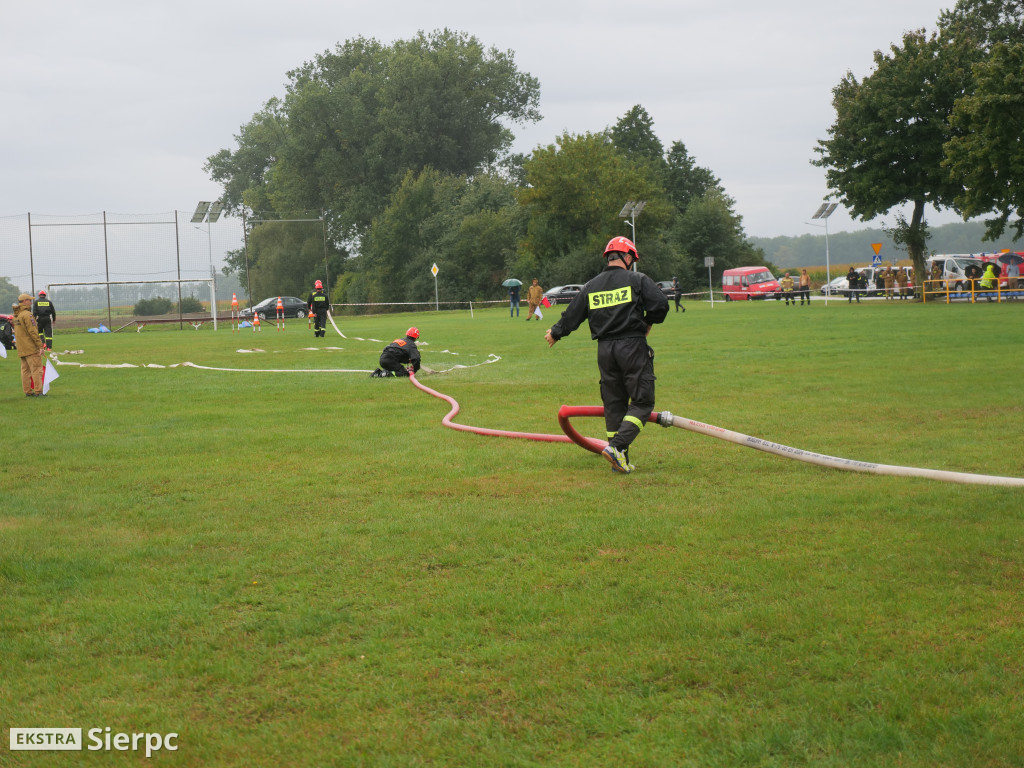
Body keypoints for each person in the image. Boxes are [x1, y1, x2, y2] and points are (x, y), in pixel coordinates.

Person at [544, 236, 669, 474]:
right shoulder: (637, 279)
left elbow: (573, 314)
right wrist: (648, 322)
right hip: (632, 347)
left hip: (605, 351)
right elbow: (660, 305)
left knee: (614, 405)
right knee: (642, 402)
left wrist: (557, 333)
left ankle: (618, 460)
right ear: (628, 257)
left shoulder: (591, 285)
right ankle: (617, 447)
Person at [13, 293, 46, 396]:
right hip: (31, 348)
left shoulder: (16, 315)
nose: (31, 302)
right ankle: (38, 392)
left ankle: (27, 392)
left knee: (25, 371)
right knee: (36, 369)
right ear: (24, 301)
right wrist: (40, 346)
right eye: (29, 300)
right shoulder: (27, 315)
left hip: (21, 348)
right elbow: (33, 332)